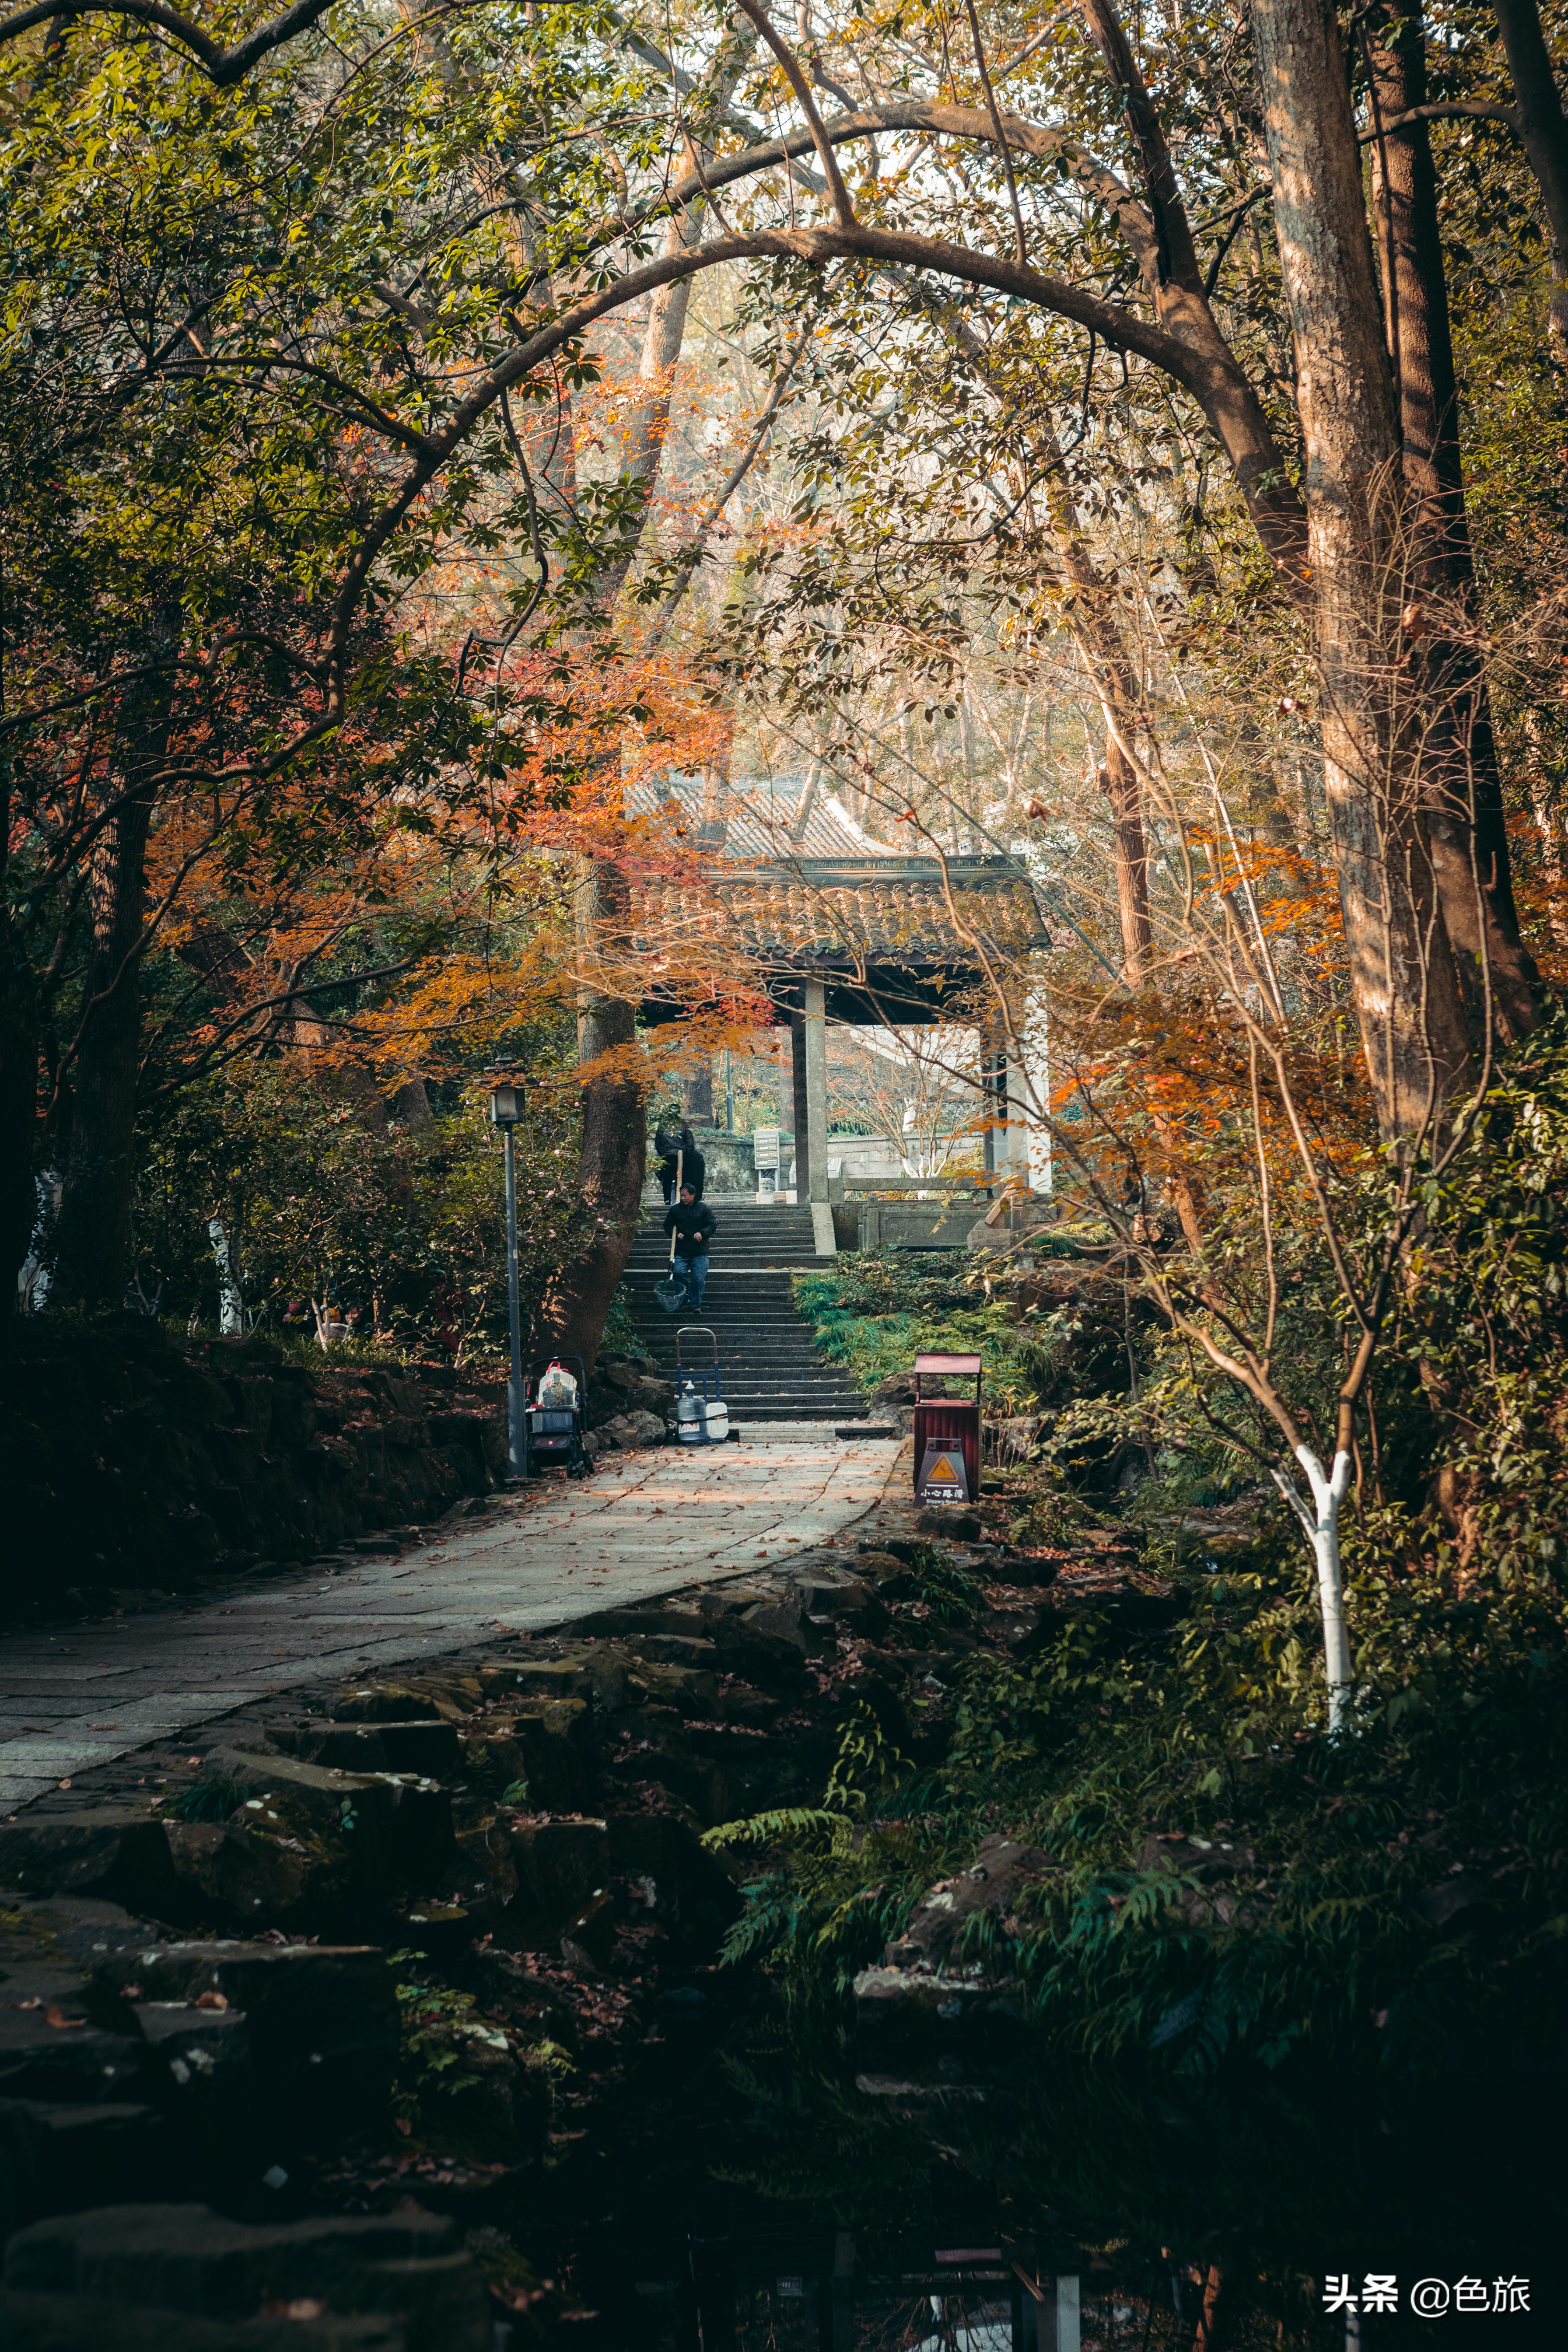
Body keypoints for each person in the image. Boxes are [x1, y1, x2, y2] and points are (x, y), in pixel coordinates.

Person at [663, 1184, 717, 1309]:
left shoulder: (704, 1209)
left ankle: (695, 1305)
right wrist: (675, 1234)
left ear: (693, 1195)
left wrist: (703, 1234)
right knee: (678, 1273)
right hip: (681, 1251)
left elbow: (712, 1224)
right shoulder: (675, 1210)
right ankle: (684, 1297)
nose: (682, 1198)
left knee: (698, 1279)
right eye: (681, 1195)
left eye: (685, 1195)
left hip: (700, 1251)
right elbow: (667, 1225)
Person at [653, 1116, 704, 1204]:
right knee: (681, 1178)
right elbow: (690, 1143)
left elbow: (658, 1142)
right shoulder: (684, 1125)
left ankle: (667, 1200)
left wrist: (663, 1153)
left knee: (667, 1179)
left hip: (667, 1156)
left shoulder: (663, 1125)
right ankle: (681, 1199)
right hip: (681, 1157)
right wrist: (687, 1155)